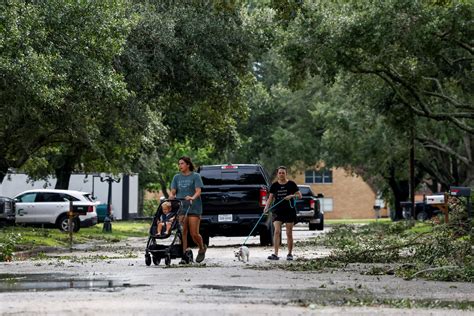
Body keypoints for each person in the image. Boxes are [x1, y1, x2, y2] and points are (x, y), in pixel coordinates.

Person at [169, 156, 207, 263]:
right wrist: (172, 195)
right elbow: (173, 191)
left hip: (194, 207)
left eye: (182, 163)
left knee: (194, 233)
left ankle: (201, 247)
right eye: (179, 164)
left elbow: (198, 191)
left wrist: (192, 198)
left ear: (188, 165)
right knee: (183, 232)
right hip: (182, 208)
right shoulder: (176, 177)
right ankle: (184, 255)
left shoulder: (196, 176)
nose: (180, 166)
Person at [264, 166, 302, 261]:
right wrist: (266, 207)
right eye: (280, 173)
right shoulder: (274, 185)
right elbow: (270, 198)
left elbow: (299, 195)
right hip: (277, 211)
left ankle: (289, 254)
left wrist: (291, 196)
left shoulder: (291, 184)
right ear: (277, 174)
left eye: (283, 173)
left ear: (286, 174)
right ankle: (275, 254)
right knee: (276, 232)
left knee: (289, 233)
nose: (281, 174)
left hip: (289, 211)